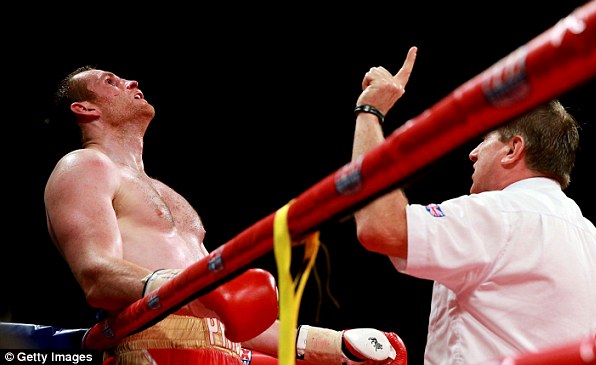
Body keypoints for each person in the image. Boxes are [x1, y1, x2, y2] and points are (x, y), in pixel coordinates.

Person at [43, 66, 408, 365]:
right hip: (153, 352)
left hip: (227, 352)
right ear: (85, 109)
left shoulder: (164, 191)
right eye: (110, 81)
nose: (131, 81)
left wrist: (336, 345)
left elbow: (232, 313)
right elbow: (95, 275)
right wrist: (196, 291)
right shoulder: (85, 166)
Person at [349, 46, 596, 364]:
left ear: (513, 150)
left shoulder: (502, 214)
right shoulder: (591, 238)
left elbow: (379, 226)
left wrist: (370, 112)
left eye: (485, 139)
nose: (472, 153)